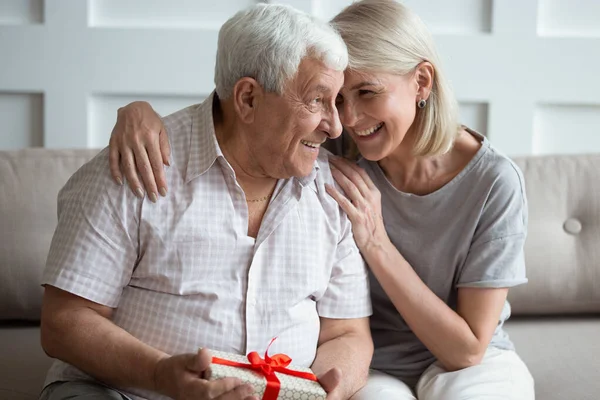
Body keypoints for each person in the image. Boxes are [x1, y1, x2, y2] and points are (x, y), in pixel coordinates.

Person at [108, 0, 536, 399]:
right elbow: (241, 120)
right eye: (336, 98)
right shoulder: (335, 150)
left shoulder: (494, 182)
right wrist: (138, 112)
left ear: (421, 81)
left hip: (468, 363)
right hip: (374, 363)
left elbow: (467, 351)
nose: (347, 119)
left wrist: (376, 243)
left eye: (367, 93)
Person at [39, 4, 375, 400]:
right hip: (128, 393)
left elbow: (348, 332)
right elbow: (65, 321)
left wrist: (320, 392)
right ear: (248, 98)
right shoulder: (138, 165)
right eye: (318, 100)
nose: (334, 125)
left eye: (334, 101)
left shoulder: (333, 190)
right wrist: (160, 374)